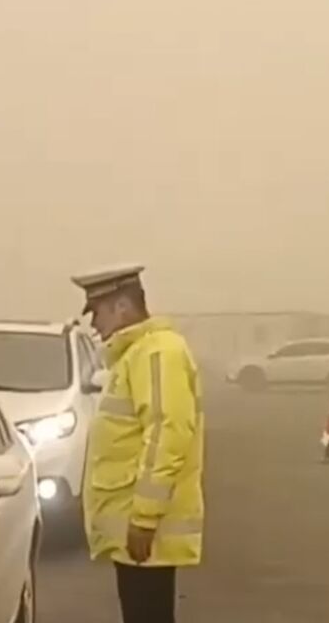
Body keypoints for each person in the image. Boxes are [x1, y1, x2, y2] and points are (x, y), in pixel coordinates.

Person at [72, 264, 204, 623]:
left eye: (97, 312)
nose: (94, 325)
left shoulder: (157, 353)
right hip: (134, 526)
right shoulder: (138, 354)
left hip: (144, 528)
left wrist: (145, 517)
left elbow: (168, 432)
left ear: (121, 307)